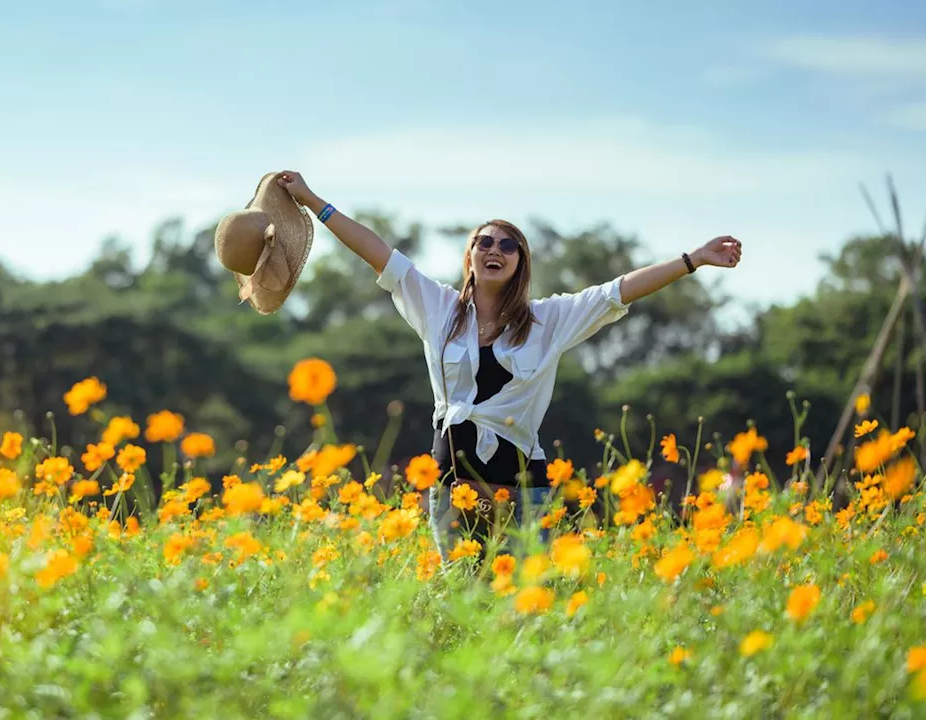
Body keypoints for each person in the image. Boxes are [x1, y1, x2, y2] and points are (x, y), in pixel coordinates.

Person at [274, 170, 743, 555]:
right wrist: (314, 200)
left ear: (521, 262)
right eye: (484, 242)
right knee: (459, 593)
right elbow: (376, 252)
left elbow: (617, 290)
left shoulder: (549, 319)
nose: (495, 249)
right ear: (470, 256)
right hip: (451, 481)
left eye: (508, 245)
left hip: (520, 487)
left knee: (520, 604)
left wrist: (693, 259)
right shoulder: (436, 307)